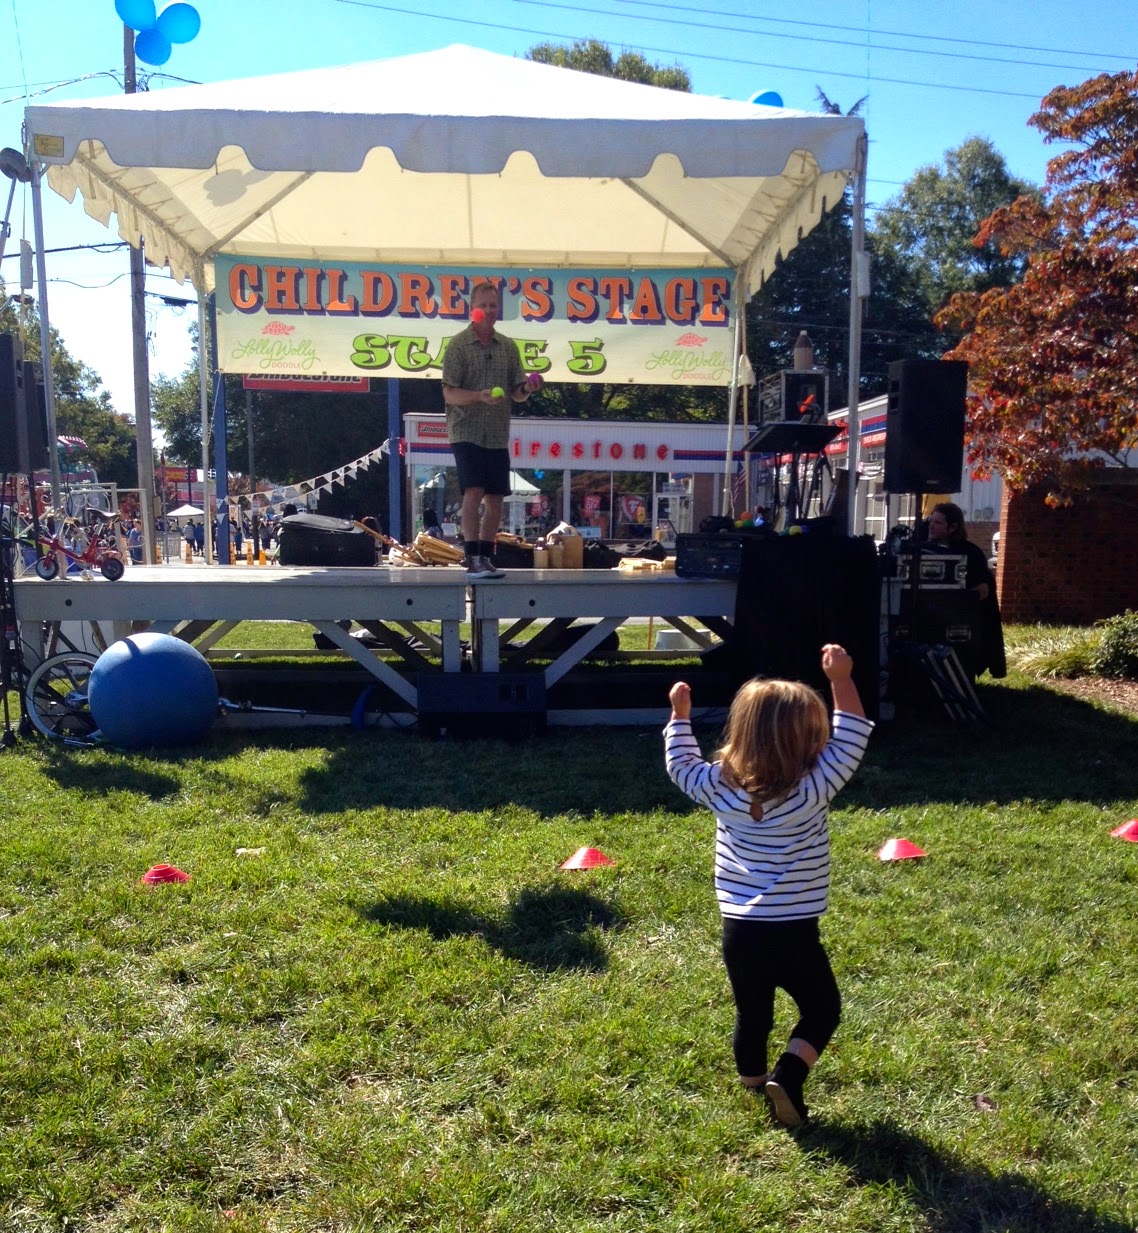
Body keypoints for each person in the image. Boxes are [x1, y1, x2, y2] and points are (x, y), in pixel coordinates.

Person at [664, 645, 873, 1129]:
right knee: (822, 1009)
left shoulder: (715, 786)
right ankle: (790, 1075)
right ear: (808, 739)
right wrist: (841, 679)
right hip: (795, 930)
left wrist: (679, 716)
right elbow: (854, 733)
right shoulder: (815, 787)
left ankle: (754, 1084)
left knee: (752, 1013)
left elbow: (680, 763)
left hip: (739, 929)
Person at [441, 280, 543, 579]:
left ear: (499, 309)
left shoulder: (508, 347)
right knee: (474, 490)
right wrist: (478, 397)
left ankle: (486, 556)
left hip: (497, 431)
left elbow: (516, 392)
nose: (488, 310)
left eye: (493, 305)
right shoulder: (458, 346)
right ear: (472, 309)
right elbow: (449, 393)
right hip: (465, 429)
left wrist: (528, 387)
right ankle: (471, 556)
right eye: (483, 305)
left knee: (496, 496)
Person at [922, 501, 1006, 678]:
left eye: (938, 523)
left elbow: (982, 589)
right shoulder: (921, 549)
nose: (931, 526)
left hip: (958, 620)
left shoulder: (970, 553)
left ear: (952, 527)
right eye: (931, 521)